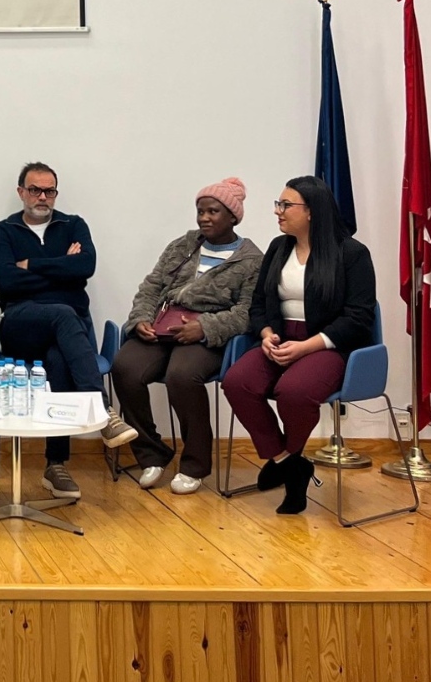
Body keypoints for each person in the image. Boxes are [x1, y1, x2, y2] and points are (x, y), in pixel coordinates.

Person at [222, 176, 376, 515]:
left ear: (311, 211)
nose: (278, 211)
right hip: (279, 339)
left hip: (328, 345)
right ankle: (290, 463)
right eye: (279, 204)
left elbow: (359, 317)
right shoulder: (279, 248)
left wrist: (307, 347)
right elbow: (259, 303)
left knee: (293, 391)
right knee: (237, 382)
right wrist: (265, 334)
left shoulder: (352, 253)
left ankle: (289, 474)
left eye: (285, 205)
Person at [0, 161, 136, 501]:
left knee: (59, 357)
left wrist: (33, 265)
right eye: (35, 190)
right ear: (21, 192)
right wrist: (62, 267)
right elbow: (7, 279)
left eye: (50, 190)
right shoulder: (4, 231)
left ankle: (55, 466)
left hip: (66, 329)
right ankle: (102, 410)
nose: (43, 197)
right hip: (21, 323)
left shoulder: (73, 225)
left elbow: (86, 266)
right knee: (63, 311)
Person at [110, 178, 263, 494]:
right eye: (200, 210)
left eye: (213, 211)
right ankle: (152, 454)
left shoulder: (251, 260)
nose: (204, 217)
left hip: (206, 335)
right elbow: (152, 286)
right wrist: (141, 318)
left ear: (233, 216)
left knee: (181, 376)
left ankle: (195, 465)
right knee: (124, 367)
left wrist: (205, 328)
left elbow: (248, 312)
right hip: (163, 326)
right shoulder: (183, 244)